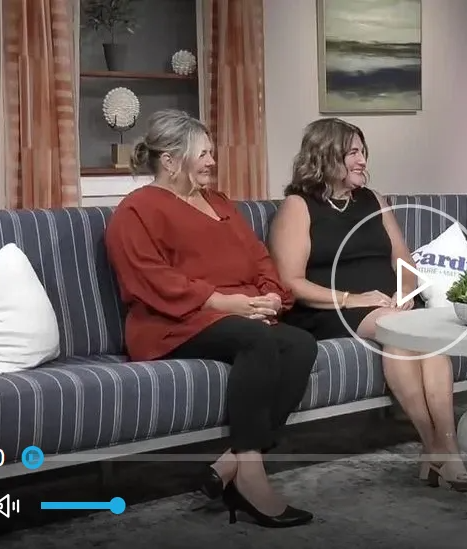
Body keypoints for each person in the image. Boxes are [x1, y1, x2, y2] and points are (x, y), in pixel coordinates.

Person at [104, 109, 318, 528]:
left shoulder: (219, 202)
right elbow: (149, 278)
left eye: (211, 153)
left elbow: (258, 256)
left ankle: (230, 463)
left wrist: (272, 296)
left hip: (240, 311)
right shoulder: (136, 210)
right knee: (257, 341)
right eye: (202, 153)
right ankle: (252, 476)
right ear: (169, 160)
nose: (211, 161)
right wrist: (225, 303)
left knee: (299, 343)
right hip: (170, 323)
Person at [267, 118, 467, 492]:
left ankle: (442, 449)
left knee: (416, 334)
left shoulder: (373, 200)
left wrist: (407, 292)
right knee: (402, 329)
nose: (362, 160)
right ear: (325, 156)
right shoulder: (298, 206)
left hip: (387, 307)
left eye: (363, 152)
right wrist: (355, 299)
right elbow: (291, 283)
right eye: (353, 153)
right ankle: (440, 449)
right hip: (328, 309)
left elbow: (404, 262)